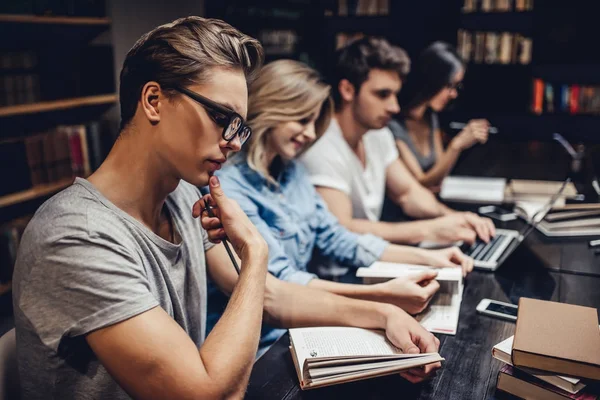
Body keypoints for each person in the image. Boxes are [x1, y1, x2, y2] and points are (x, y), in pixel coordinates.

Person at [13, 18, 441, 398]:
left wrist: (383, 314)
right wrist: (255, 253)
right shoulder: (77, 235)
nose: (236, 142)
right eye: (222, 117)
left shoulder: (182, 196)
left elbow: (267, 298)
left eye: (241, 126)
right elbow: (204, 394)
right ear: (154, 101)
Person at [209, 59, 473, 355]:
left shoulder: (292, 171)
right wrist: (382, 296)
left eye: (314, 122)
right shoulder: (229, 187)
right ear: (272, 110)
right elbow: (279, 282)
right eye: (301, 120)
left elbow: (337, 237)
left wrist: (429, 257)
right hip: (256, 347)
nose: (310, 133)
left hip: (299, 329)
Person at [300, 37, 495, 247]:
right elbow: (343, 227)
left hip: (371, 258)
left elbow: (408, 193)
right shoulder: (321, 145)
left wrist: (457, 218)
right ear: (347, 90)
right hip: (336, 274)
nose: (394, 107)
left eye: (395, 94)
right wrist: (430, 229)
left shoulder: (377, 134)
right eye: (382, 94)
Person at [391, 41, 490, 190]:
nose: (454, 94)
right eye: (449, 85)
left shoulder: (430, 118)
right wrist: (457, 145)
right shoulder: (392, 125)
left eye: (457, 87)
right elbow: (420, 183)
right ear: (433, 80)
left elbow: (439, 176)